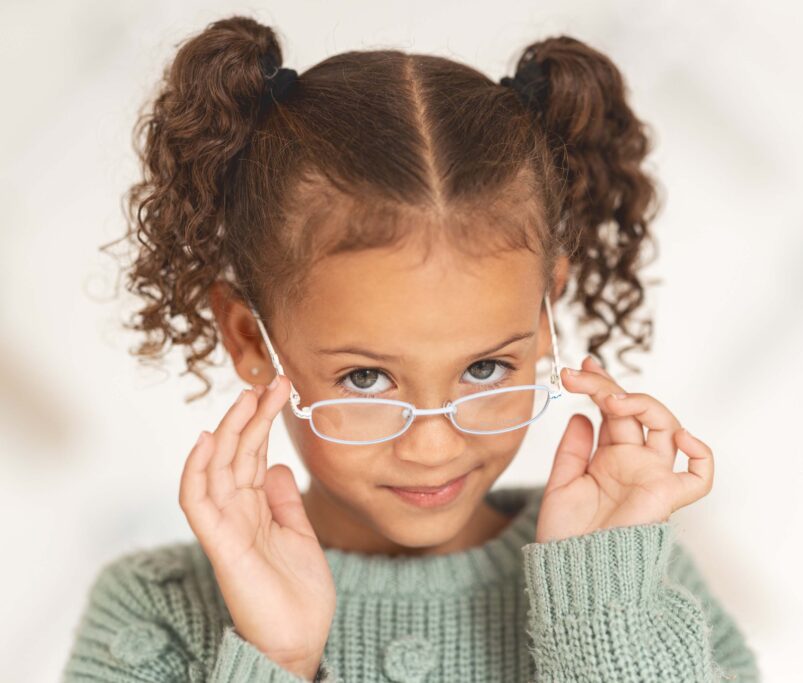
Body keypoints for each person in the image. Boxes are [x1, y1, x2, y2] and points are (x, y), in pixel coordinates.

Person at [62, 14, 760, 683]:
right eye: (366, 377)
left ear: (544, 318)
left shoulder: (642, 583)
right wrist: (277, 658)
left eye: (485, 368)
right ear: (251, 338)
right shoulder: (155, 613)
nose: (433, 445)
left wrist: (601, 611)